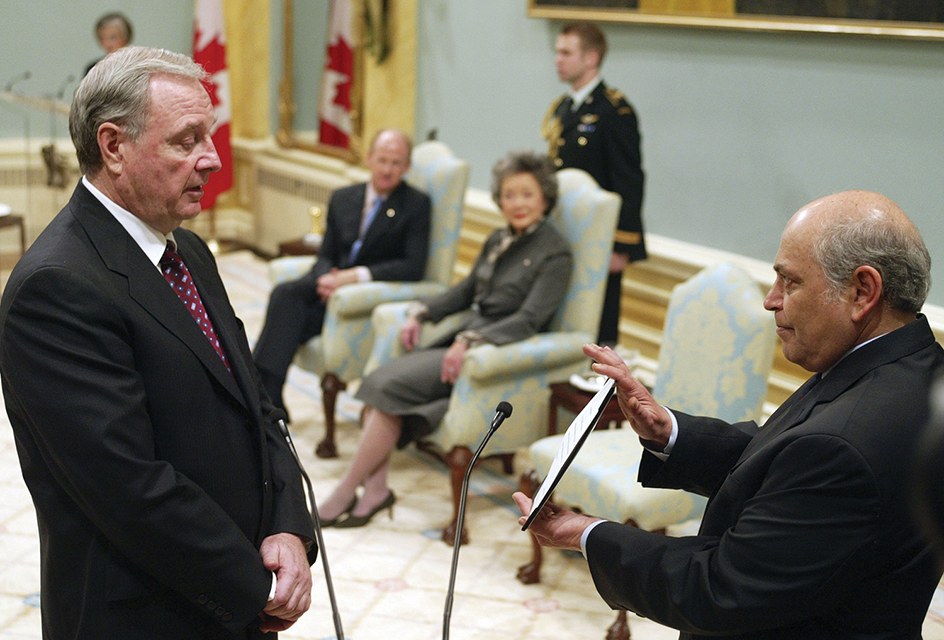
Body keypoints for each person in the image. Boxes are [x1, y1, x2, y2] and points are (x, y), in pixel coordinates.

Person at [515, 190, 943, 638]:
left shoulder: (845, 442)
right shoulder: (910, 368)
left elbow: (720, 591)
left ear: (862, 291)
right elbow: (784, 466)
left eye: (790, 282)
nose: (771, 299)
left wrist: (586, 532)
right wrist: (668, 431)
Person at [0, 46, 315, 638]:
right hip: (143, 613)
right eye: (186, 139)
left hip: (229, 594)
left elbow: (257, 406)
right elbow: (128, 487)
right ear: (113, 146)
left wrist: (289, 529)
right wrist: (256, 588)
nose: (213, 160)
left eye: (211, 135)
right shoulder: (58, 286)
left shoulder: (187, 250)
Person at [318, 151, 573, 528]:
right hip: (460, 341)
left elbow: (529, 320)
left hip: (489, 352)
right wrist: (423, 311)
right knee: (381, 397)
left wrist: (471, 340)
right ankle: (374, 492)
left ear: (545, 198)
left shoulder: (555, 252)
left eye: (526, 194)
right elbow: (466, 290)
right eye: (508, 195)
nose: (516, 204)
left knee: (382, 386)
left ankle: (347, 491)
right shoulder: (499, 238)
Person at [253, 129, 431, 415]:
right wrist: (326, 278)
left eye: (396, 163)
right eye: (382, 160)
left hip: (358, 297)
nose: (388, 169)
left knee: (288, 317)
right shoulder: (343, 197)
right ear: (370, 159)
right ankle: (264, 393)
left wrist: (353, 277)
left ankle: (262, 396)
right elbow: (326, 253)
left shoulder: (416, 205)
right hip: (329, 286)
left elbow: (413, 265)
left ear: (407, 167)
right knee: (286, 295)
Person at [542, 22, 645, 346]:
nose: (557, 59)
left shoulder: (614, 110)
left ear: (591, 58)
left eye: (566, 52)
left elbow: (629, 180)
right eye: (557, 52)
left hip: (601, 236)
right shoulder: (563, 107)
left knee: (600, 323)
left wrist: (621, 245)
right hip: (565, 232)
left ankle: (596, 389)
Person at [84, 12, 133, 76]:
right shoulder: (94, 69)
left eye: (113, 38)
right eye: (102, 38)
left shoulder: (140, 66)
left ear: (126, 37)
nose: (107, 44)